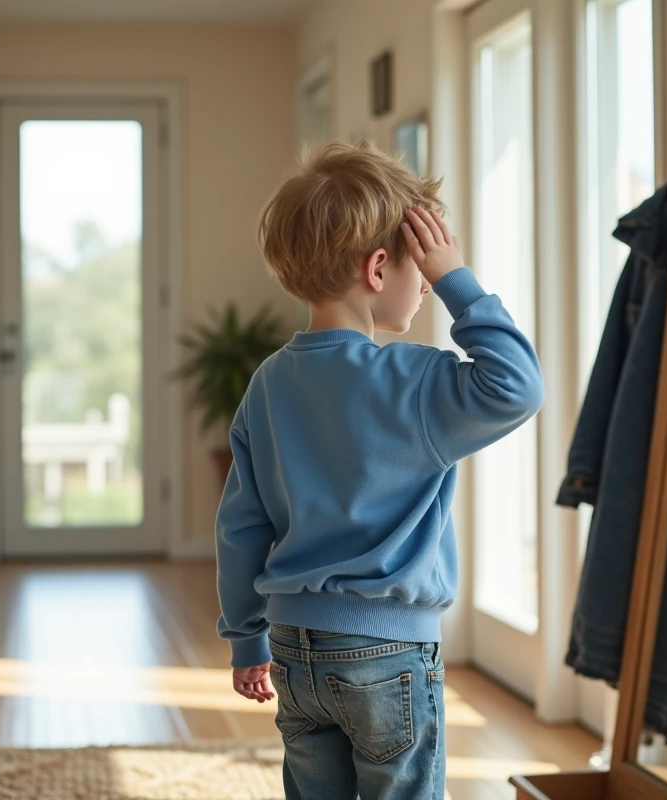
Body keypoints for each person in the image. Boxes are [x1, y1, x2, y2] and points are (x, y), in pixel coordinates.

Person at [215, 140, 545, 799]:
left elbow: (241, 526)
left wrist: (246, 639)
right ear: (377, 268)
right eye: (421, 265)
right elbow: (518, 387)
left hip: (294, 647)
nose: (425, 283)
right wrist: (458, 281)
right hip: (387, 653)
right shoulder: (415, 380)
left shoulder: (268, 383)